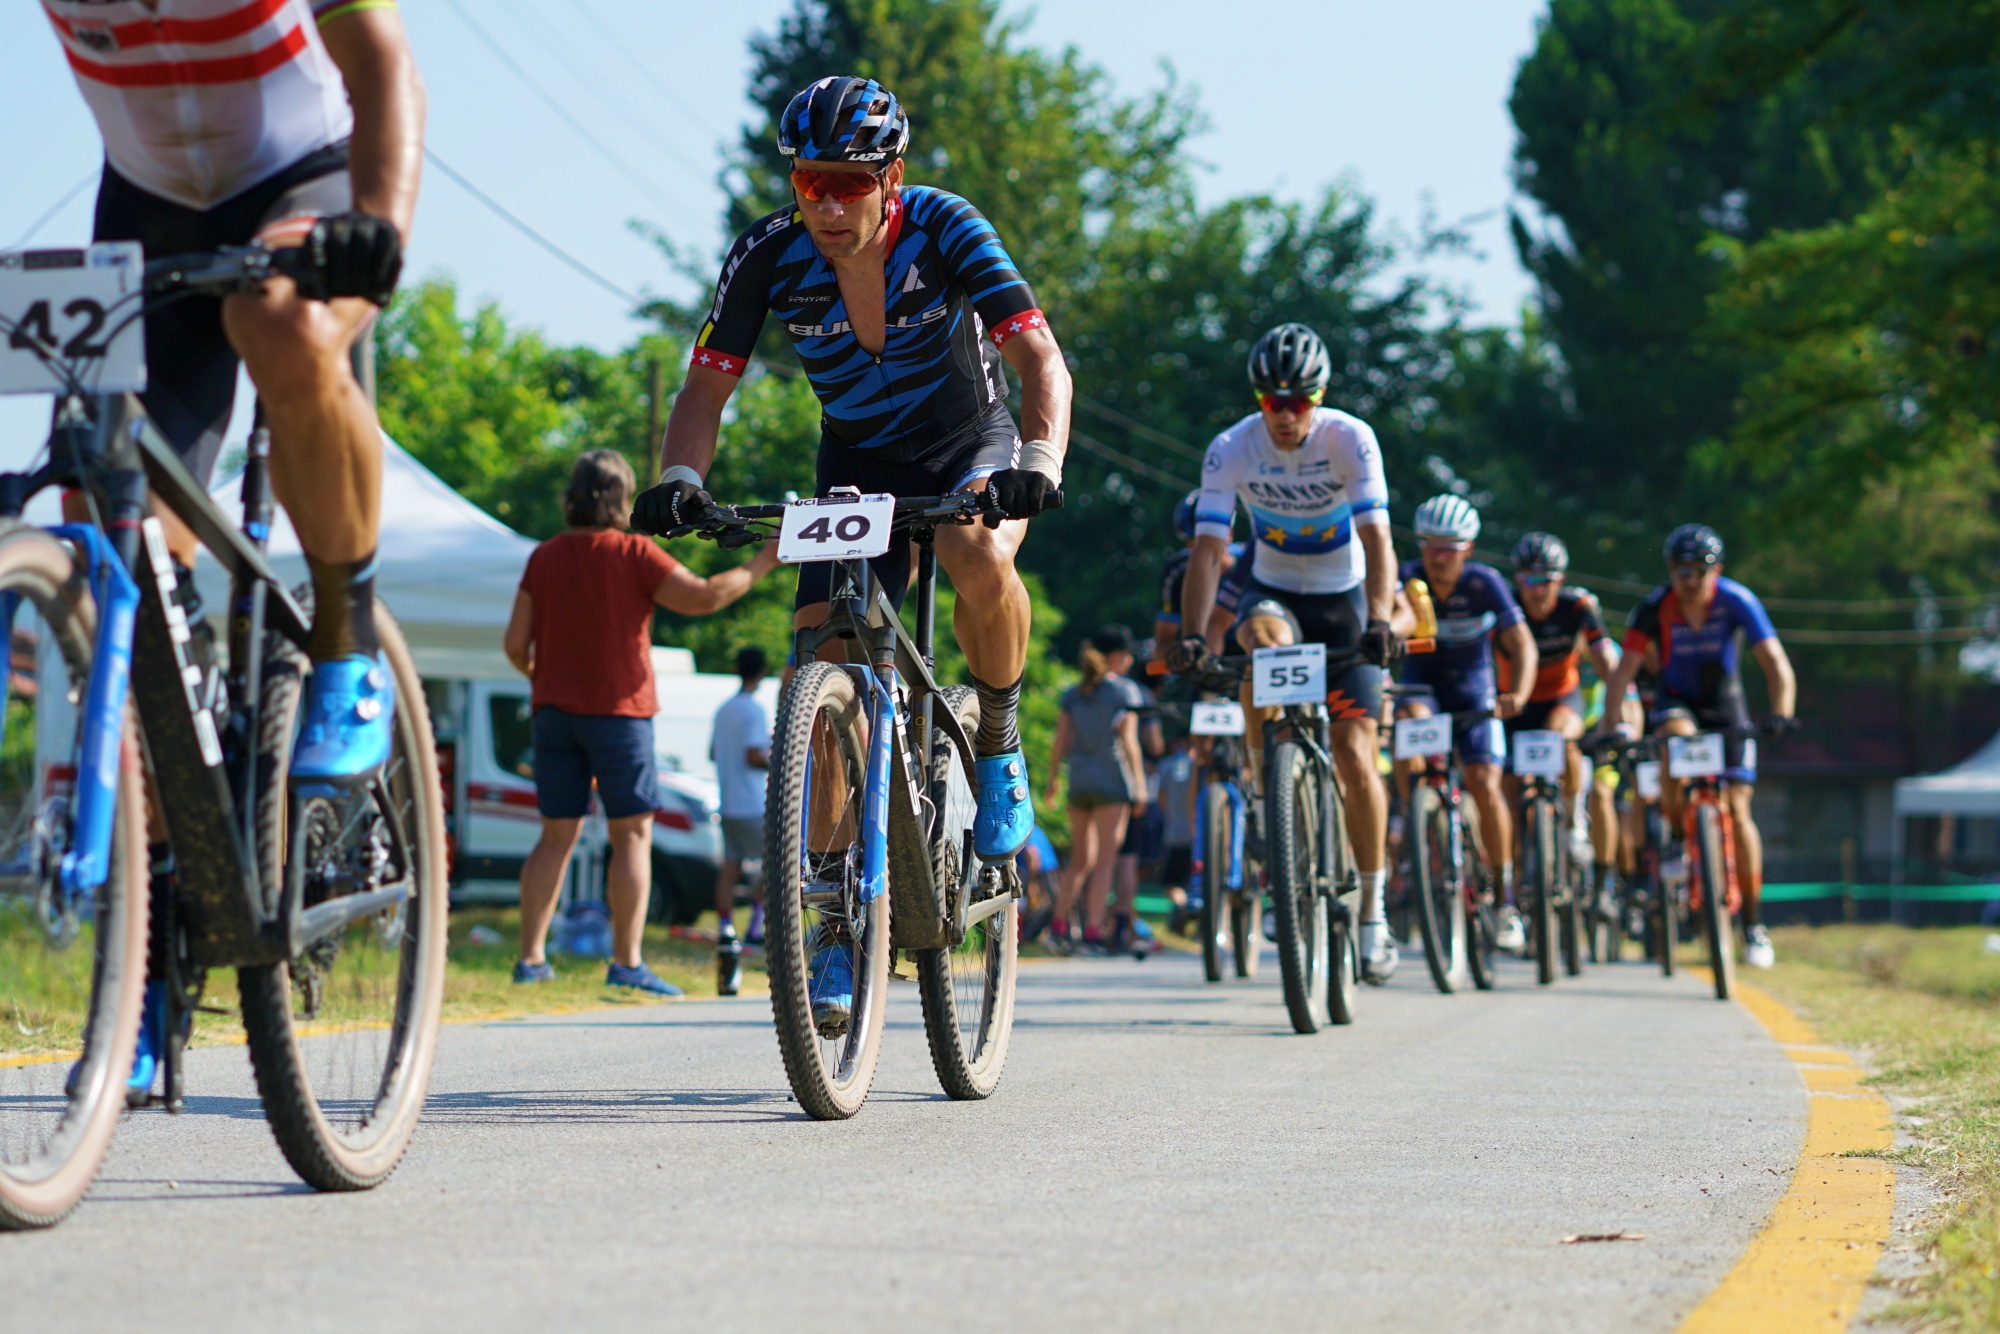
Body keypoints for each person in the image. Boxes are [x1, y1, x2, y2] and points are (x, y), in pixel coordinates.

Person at [629, 76, 1071, 1027]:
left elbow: (1041, 361)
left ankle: (996, 738)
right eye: (806, 182)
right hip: (856, 460)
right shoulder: (769, 253)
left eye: (846, 182)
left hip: (973, 443)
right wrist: (677, 478)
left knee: (975, 553)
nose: (825, 203)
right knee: (824, 656)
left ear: (890, 178)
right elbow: (706, 389)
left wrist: (1039, 458)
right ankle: (832, 924)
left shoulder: (948, 226)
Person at [43, 0, 421, 1097]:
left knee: (282, 321)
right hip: (146, 207)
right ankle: (156, 948)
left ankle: (346, 640)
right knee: (106, 521)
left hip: (305, 184)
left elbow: (381, 59)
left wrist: (380, 227)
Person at [1172, 323, 1402, 983]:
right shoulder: (1231, 449)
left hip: (1346, 598)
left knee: (1359, 756)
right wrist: (1192, 634)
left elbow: (1379, 539)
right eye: (1273, 401)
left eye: (1300, 400)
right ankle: (1270, 792)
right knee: (1260, 644)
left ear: (1320, 397)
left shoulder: (1350, 438)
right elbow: (1210, 550)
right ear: (1258, 400)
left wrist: (1383, 619)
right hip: (1273, 591)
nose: (1286, 414)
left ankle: (1373, 912)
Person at [505, 451, 779, 992]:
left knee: (556, 835)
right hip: (619, 715)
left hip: (553, 713)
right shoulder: (634, 552)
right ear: (622, 498)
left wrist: (547, 679)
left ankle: (531, 959)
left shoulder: (546, 556)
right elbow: (702, 598)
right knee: (631, 835)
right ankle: (627, 963)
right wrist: (761, 564)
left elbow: (516, 644)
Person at [1595, 524, 1796, 968]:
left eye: (1699, 570)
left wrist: (1781, 711)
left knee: (1741, 812)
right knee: (1674, 739)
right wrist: (1612, 725)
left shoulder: (1737, 600)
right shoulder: (1654, 606)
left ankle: (1753, 926)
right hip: (1678, 703)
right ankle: (1675, 833)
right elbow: (1622, 672)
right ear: (1670, 570)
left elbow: (1773, 659)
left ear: (1716, 570)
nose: (1689, 580)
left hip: (1727, 707)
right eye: (1680, 570)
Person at [1395, 495, 1538, 954]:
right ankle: (1416, 819)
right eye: (1431, 546)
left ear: (1468, 548)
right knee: (1408, 728)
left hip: (1475, 690)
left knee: (1484, 782)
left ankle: (1504, 895)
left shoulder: (1485, 583)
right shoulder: (1404, 577)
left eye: (1450, 547)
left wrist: (1519, 692)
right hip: (1422, 686)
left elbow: (1523, 645)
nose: (1439, 557)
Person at [1503, 532, 1622, 904]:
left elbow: (1608, 665)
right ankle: (1516, 876)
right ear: (1517, 579)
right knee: (1505, 794)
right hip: (1514, 706)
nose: (1538, 590)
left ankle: (1573, 822)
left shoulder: (1578, 607)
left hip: (1560, 699)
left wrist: (1620, 713)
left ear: (1562, 579)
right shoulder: (1504, 604)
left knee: (1563, 739)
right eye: (1529, 580)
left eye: (1547, 580)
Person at [1045, 629, 1149, 953]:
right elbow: (1129, 742)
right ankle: (1092, 932)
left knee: (1079, 860)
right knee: (1105, 862)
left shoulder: (1074, 693)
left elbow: (1061, 740)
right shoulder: (1125, 691)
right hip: (1112, 782)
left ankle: (1058, 926)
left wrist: (1053, 781)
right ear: (1114, 656)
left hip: (1080, 780)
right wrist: (1140, 787)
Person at [710, 646, 772, 995]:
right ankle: (754, 927)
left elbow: (714, 753)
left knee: (731, 866)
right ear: (761, 672)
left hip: (727, 800)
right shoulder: (753, 709)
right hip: (751, 802)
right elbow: (753, 755)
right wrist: (775, 758)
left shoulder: (723, 709)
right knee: (773, 861)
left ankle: (725, 927)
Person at [1151, 490, 1254, 678]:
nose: (1197, 552)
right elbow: (1163, 644)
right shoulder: (1176, 572)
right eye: (1191, 543)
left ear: (1229, 534)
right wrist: (1180, 659)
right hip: (1205, 654)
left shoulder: (1251, 560)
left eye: (1205, 542)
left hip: (1250, 651)